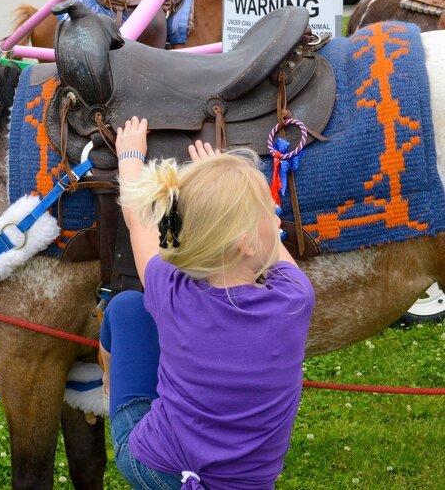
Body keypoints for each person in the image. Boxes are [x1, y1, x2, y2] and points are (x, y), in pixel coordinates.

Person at [100, 117, 315, 489]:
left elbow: (139, 222)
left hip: (157, 469)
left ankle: (106, 373)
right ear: (247, 242)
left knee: (126, 308)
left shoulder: (168, 288)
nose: (273, 218)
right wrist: (224, 182)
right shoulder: (294, 300)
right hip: (246, 485)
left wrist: (131, 155)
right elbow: (274, 249)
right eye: (270, 212)